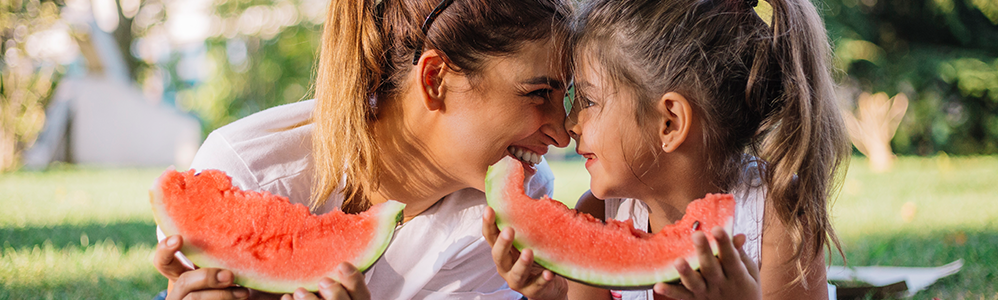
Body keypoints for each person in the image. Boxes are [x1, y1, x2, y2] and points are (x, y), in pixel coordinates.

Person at [152, 0, 574, 299]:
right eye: (538, 93)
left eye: (567, 97)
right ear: (435, 80)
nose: (563, 135)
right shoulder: (249, 169)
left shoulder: (510, 208)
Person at [484, 0, 849, 298]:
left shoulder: (777, 214)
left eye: (588, 100)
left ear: (669, 122)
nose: (569, 123)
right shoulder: (597, 213)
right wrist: (551, 294)